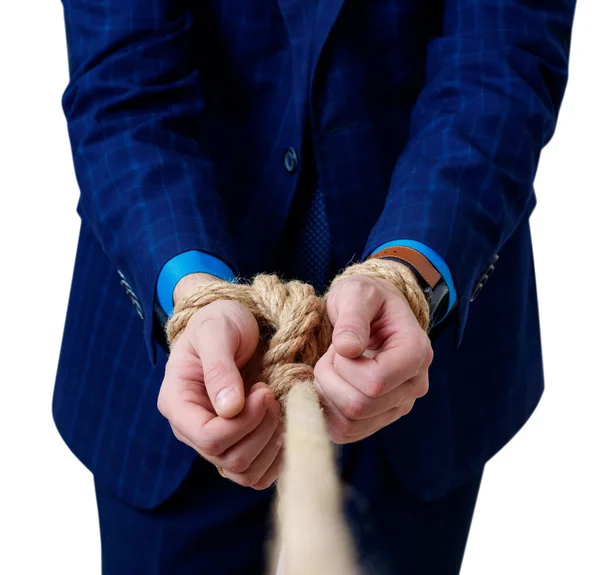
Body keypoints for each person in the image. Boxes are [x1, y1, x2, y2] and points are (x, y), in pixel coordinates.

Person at [53, 1, 576, 573]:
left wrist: (409, 273)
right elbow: (122, 82)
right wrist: (193, 292)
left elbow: (498, 64)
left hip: (418, 368)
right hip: (174, 373)